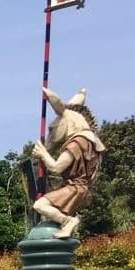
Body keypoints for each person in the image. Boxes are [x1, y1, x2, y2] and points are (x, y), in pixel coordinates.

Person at [31, 87, 104, 238]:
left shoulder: (77, 143)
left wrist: (43, 153)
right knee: (50, 212)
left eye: (53, 130)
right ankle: (65, 226)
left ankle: (68, 222)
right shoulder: (90, 142)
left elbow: (57, 168)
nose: (51, 134)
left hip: (75, 188)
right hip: (81, 189)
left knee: (40, 205)